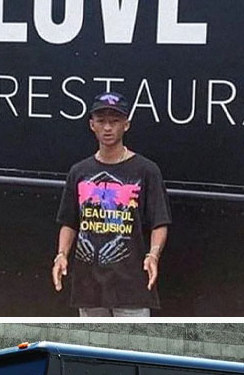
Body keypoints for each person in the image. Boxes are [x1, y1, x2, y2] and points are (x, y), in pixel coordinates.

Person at [52, 92, 171, 317]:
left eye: (114, 121)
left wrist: (154, 254)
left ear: (126, 125)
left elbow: (159, 221)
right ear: (92, 125)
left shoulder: (146, 170)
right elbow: (69, 222)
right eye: (101, 121)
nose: (108, 128)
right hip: (89, 286)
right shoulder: (79, 171)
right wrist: (61, 255)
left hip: (131, 286)